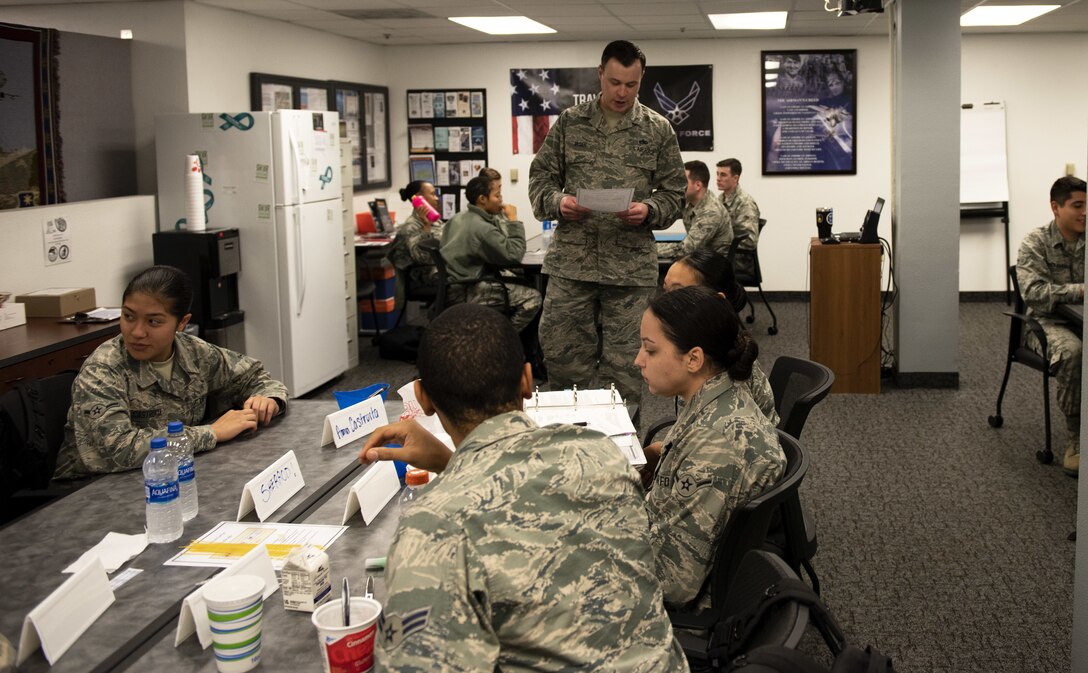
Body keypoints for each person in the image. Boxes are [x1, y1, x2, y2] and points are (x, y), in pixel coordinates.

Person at [358, 304, 688, 671]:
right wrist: (452, 463)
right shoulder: (600, 454)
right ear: (528, 380)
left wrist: (454, 470)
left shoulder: (432, 526)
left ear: (422, 399)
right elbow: (523, 505)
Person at [529, 39, 685, 406]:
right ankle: (570, 446)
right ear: (600, 75)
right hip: (572, 267)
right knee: (564, 360)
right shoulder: (570, 123)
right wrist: (559, 202)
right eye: (614, 82)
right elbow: (540, 181)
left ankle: (622, 457)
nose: (622, 92)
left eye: (631, 85)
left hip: (629, 270)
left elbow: (675, 195)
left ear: (641, 80)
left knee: (628, 369)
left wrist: (648, 210)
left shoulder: (657, 129)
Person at [54, 265, 287, 479]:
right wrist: (211, 433)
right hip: (92, 490)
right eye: (128, 316)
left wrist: (267, 399)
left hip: (170, 475)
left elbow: (253, 376)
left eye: (153, 322)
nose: (137, 332)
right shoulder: (103, 369)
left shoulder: (194, 352)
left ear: (182, 323)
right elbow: (118, 449)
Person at [636, 286, 785, 610]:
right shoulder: (712, 399)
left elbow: (674, 583)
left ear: (693, 359)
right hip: (656, 541)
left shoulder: (717, 442)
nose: (638, 360)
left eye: (650, 350)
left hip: (668, 605)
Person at [1017, 175, 1087, 476]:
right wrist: (1081, 291)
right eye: (1078, 205)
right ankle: (1075, 440)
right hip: (1045, 324)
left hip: (1083, 319)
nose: (1085, 212)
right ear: (1056, 207)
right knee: (1073, 352)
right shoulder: (1035, 243)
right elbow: (1034, 294)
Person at [663, 250, 777, 426]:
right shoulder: (702, 345)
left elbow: (719, 445)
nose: (665, 303)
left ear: (716, 302)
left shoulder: (718, 366)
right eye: (665, 291)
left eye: (679, 293)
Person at [440, 174, 542, 332]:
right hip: (469, 289)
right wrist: (513, 219)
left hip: (452, 285)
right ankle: (503, 339)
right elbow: (514, 254)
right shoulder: (481, 228)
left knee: (524, 283)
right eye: (497, 196)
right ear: (482, 199)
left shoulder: (458, 218)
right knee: (533, 298)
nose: (501, 200)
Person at [657, 160, 733, 260]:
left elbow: (687, 249)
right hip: (701, 260)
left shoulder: (711, 211)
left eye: (682, 182)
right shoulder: (690, 202)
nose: (677, 186)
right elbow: (666, 216)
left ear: (697, 185)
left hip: (712, 267)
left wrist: (650, 249)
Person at [387, 180, 443, 291]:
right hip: (423, 276)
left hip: (439, 269)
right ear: (418, 197)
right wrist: (426, 228)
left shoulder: (436, 221)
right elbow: (423, 258)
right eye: (432, 194)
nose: (436, 198)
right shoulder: (411, 226)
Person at [716, 158, 762, 273]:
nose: (718, 179)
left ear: (735, 178)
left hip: (739, 260)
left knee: (697, 265)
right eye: (717, 174)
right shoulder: (720, 199)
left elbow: (750, 242)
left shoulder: (745, 203)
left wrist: (719, 243)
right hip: (723, 255)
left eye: (723, 175)